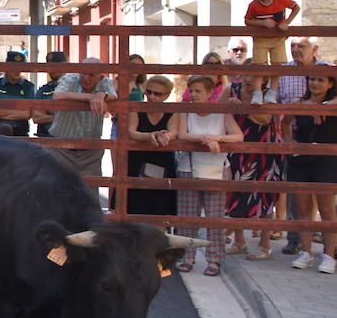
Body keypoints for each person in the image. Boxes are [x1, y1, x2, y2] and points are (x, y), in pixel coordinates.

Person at [175, 75, 244, 276]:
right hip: (189, 167)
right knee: (188, 216)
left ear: (209, 93)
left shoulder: (221, 113)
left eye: (198, 91)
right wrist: (204, 139)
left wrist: (218, 138)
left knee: (215, 218)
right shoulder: (186, 112)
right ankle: (187, 257)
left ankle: (215, 259)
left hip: (217, 167)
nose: (194, 95)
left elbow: (238, 136)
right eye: (191, 90)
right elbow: (182, 135)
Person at [276, 37, 330, 254]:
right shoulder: (283, 72)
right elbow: (279, 107)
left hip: (327, 144)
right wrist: (288, 142)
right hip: (299, 139)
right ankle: (295, 240)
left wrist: (322, 106)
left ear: (315, 49)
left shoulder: (329, 70)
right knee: (297, 198)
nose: (296, 50)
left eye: (301, 46)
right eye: (292, 46)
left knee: (326, 200)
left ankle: (329, 249)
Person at [226, 70, 286, 260]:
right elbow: (216, 110)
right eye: (249, 74)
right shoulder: (231, 89)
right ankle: (239, 240)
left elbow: (265, 118)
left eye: (257, 75)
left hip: (265, 150)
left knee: (265, 196)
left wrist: (242, 107)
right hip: (238, 149)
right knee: (236, 192)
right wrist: (229, 105)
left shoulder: (269, 93)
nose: (251, 78)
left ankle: (265, 244)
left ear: (264, 78)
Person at [286, 73, 337, 273]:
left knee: (326, 208)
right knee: (302, 207)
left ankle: (329, 255)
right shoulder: (300, 103)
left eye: (320, 79)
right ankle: (306, 252)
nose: (315, 82)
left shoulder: (333, 104)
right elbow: (285, 122)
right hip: (302, 159)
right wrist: (289, 142)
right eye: (312, 79)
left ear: (330, 84)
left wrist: (322, 107)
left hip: (327, 160)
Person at [49, 56, 116, 179]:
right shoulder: (70, 78)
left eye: (91, 75)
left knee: (89, 190)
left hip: (90, 150)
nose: (85, 77)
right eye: (83, 73)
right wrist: (92, 97)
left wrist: (102, 94)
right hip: (62, 147)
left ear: (100, 77)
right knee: (59, 188)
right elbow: (58, 95)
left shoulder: (105, 82)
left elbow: (113, 95)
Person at [123, 75, 178, 219]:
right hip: (138, 161)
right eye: (149, 92)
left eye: (158, 94)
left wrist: (165, 136)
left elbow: (174, 131)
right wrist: (150, 136)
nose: (152, 96)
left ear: (166, 96)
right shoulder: (137, 109)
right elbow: (131, 132)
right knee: (135, 207)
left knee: (160, 207)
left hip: (162, 161)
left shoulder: (172, 112)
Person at [244, 0, 300, 104]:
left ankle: (272, 92)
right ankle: (257, 93)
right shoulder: (253, 5)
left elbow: (296, 8)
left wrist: (286, 23)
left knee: (277, 65)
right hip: (260, 40)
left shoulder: (281, 0)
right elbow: (247, 20)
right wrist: (261, 23)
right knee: (259, 65)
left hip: (278, 39)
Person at [0, 51, 34, 136]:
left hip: (19, 133)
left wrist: (0, 112)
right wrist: (16, 112)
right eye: (14, 67)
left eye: (20, 67)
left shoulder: (28, 87)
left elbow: (28, 114)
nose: (17, 71)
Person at [32, 51, 68, 138]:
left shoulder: (74, 87)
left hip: (67, 138)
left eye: (54, 66)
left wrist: (48, 115)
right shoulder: (43, 90)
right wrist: (61, 116)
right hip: (45, 136)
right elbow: (36, 118)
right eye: (49, 66)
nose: (50, 70)